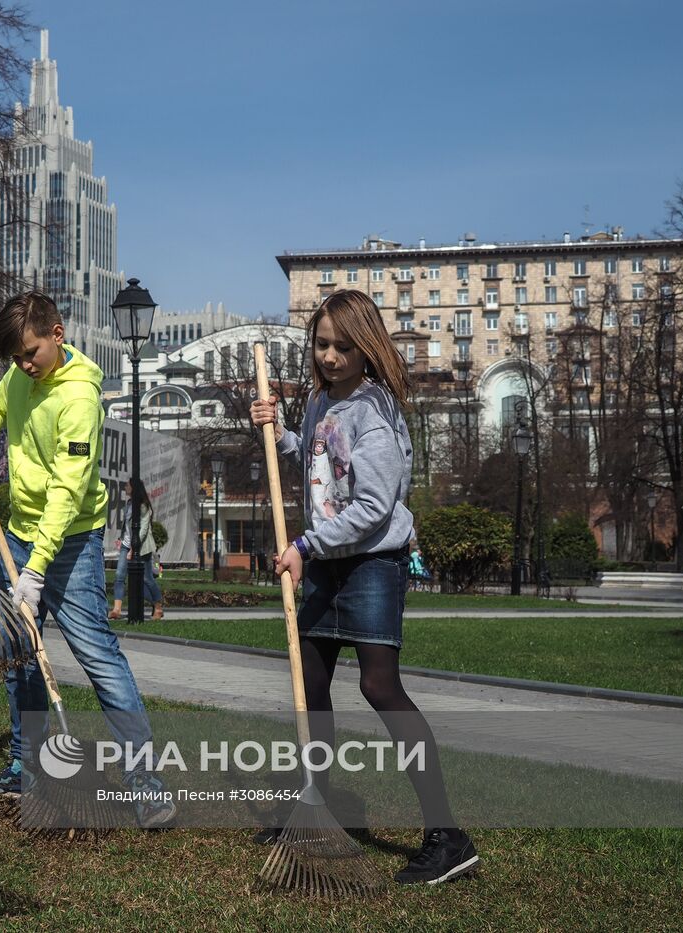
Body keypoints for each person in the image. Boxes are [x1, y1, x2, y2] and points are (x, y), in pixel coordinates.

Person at [249, 288, 478, 885]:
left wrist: (303, 546)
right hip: (327, 561)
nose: (329, 356)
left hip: (372, 562)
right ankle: (313, 808)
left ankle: (447, 834)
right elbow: (319, 467)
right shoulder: (321, 400)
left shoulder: (375, 410)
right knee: (312, 683)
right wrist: (277, 435)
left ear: (366, 347)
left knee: (380, 686)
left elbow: (374, 507)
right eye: (322, 344)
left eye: (343, 347)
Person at [0, 291, 174, 827]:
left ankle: (146, 783)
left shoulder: (79, 398)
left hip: (70, 539)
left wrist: (37, 569)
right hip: (20, 533)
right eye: (16, 359)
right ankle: (24, 766)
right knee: (21, 655)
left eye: (30, 353)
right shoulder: (21, 374)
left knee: (97, 655)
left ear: (57, 334)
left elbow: (67, 491)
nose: (24, 366)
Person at [109, 478, 164, 621]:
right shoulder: (128, 504)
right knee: (119, 576)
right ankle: (117, 610)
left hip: (142, 547)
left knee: (147, 579)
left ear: (134, 488)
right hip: (126, 545)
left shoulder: (143, 507)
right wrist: (123, 540)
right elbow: (126, 526)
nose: (125, 487)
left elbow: (144, 529)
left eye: (127, 485)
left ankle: (158, 605)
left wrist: (134, 548)